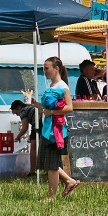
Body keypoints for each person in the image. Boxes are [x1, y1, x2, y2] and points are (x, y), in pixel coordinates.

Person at [36, 56, 80, 200]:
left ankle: (51, 196)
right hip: (47, 129)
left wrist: (52, 112)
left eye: (47, 68)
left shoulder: (63, 87)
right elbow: (47, 108)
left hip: (56, 131)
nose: (45, 71)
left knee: (51, 165)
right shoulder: (52, 86)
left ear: (56, 69)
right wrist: (36, 105)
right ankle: (69, 181)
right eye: (44, 68)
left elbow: (69, 107)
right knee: (49, 163)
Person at [10, 99, 40, 176]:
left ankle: (32, 171)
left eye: (16, 113)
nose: (17, 115)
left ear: (19, 107)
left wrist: (18, 137)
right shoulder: (30, 107)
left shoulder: (23, 111)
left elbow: (24, 128)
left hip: (38, 124)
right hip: (42, 123)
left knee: (33, 147)